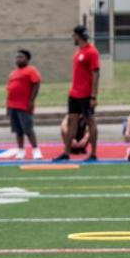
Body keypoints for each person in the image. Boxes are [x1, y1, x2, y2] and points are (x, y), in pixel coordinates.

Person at [53, 25, 100, 162]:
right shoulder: (78, 52)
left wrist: (93, 96)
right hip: (74, 93)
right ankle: (66, 153)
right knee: (71, 122)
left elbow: (96, 74)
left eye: (74, 35)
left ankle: (93, 154)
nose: (72, 38)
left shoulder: (92, 52)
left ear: (78, 36)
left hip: (86, 94)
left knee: (90, 121)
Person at [5, 49, 43, 161]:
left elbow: (36, 84)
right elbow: (9, 90)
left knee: (28, 129)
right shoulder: (13, 73)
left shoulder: (31, 70)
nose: (18, 59)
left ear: (27, 59)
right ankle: (21, 150)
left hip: (24, 105)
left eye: (21, 57)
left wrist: (31, 101)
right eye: (17, 57)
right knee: (18, 130)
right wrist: (7, 106)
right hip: (13, 105)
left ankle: (36, 150)